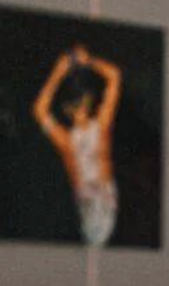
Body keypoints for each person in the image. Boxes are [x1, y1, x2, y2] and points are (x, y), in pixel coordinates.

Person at [33, 45, 123, 246]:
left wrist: (87, 60)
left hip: (105, 198)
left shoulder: (101, 126)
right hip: (88, 203)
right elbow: (39, 110)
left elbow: (114, 76)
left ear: (88, 101)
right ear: (67, 109)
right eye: (74, 104)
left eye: (81, 100)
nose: (79, 106)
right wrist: (58, 72)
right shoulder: (66, 140)